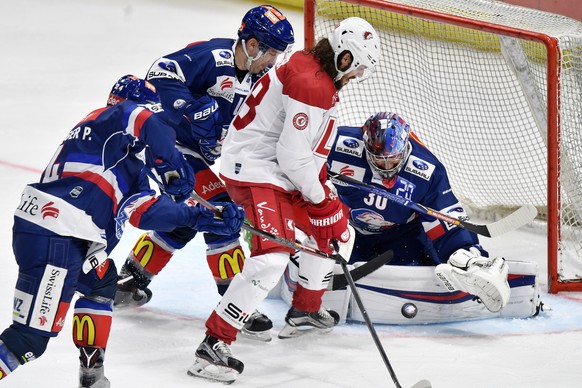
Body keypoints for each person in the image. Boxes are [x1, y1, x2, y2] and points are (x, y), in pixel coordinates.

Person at [0, 75, 245, 388]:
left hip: (64, 235)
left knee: (101, 284)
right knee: (27, 341)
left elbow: (146, 213)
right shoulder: (111, 119)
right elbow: (145, 122)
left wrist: (201, 218)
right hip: (56, 236)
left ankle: (92, 377)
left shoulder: (121, 156)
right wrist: (174, 163)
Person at [187, 17, 381, 384]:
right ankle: (213, 343)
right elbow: (293, 157)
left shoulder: (317, 74)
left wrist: (322, 191)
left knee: (339, 235)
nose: (356, 75)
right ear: (343, 58)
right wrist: (321, 202)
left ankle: (304, 311)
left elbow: (303, 152)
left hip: (276, 170)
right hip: (256, 171)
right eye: (356, 66)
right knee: (272, 258)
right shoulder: (313, 83)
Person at [114, 4, 295, 342]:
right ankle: (234, 302)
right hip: (170, 149)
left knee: (188, 218)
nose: (275, 59)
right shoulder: (214, 56)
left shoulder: (261, 80)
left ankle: (130, 279)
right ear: (252, 45)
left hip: (201, 155)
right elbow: (162, 72)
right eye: (272, 51)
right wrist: (189, 108)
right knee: (220, 211)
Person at [321, 111, 512, 316]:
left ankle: (470, 264)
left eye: (393, 160)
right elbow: (302, 168)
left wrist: (465, 249)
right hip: (346, 231)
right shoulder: (339, 144)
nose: (386, 167)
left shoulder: (427, 170)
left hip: (400, 237)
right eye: (379, 160)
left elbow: (445, 214)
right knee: (319, 243)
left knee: (433, 261)